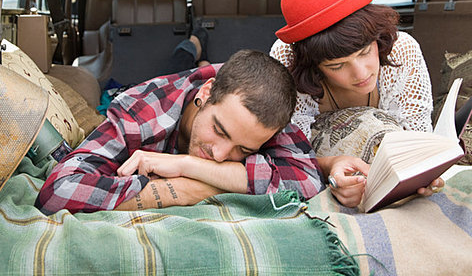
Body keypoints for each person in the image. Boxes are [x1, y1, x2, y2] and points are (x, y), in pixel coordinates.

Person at [36, 49, 325, 214]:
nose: (221, 156)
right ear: (207, 91)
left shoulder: (265, 107)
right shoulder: (140, 111)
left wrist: (187, 167)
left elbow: (308, 180)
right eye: (219, 130)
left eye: (245, 150)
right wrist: (180, 191)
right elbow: (57, 193)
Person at [270, 0, 443, 208]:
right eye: (337, 65)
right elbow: (289, 153)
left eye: (365, 52)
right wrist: (332, 169)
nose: (362, 73)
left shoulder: (402, 49)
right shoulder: (287, 60)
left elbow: (419, 138)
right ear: (313, 65)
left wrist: (424, 170)